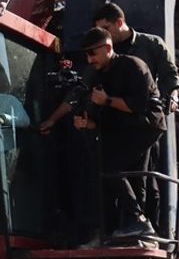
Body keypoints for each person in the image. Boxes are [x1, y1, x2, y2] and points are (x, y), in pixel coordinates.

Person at [70, 27, 165, 240]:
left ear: (107, 47)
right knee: (132, 177)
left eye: (92, 53)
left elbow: (138, 106)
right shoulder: (98, 75)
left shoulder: (133, 65)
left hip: (145, 127)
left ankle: (137, 221)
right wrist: (87, 122)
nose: (89, 59)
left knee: (109, 164)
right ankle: (127, 230)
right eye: (86, 54)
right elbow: (103, 115)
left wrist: (107, 101)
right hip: (123, 129)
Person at [92, 2, 179, 110]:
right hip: (113, 115)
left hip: (145, 115)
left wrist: (172, 98)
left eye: (106, 29)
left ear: (119, 22)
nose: (103, 35)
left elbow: (169, 75)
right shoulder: (102, 50)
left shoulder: (152, 44)